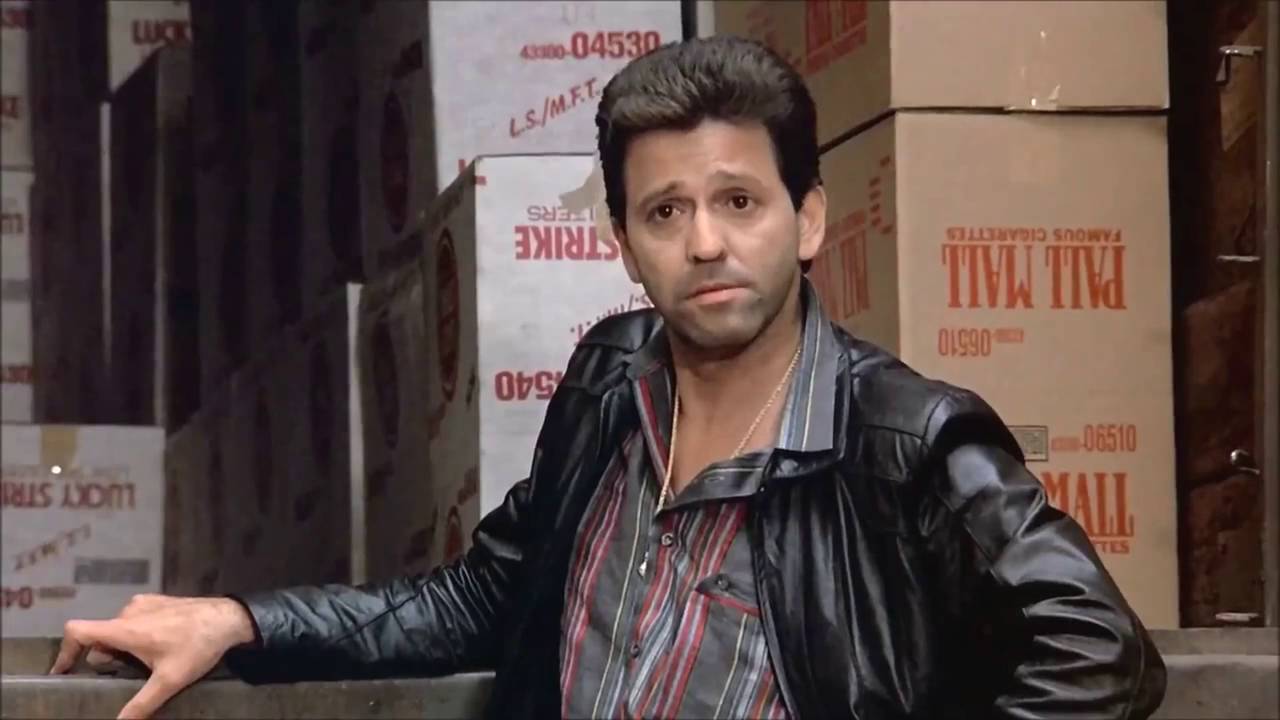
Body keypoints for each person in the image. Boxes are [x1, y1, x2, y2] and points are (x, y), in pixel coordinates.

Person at [50, 36, 1166, 720]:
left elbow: (1098, 653)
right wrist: (240, 621)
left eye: (739, 201)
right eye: (665, 212)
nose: (705, 243)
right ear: (626, 245)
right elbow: (483, 597)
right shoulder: (606, 385)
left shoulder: (901, 437)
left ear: (809, 218)